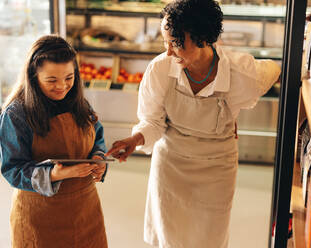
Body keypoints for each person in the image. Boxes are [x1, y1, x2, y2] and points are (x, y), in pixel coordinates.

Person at [106, 0, 281, 247]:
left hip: (216, 168)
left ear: (202, 37)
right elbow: (152, 121)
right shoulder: (160, 69)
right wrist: (135, 139)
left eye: (175, 43)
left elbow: (273, 70)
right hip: (171, 164)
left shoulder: (240, 73)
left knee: (209, 237)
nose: (168, 51)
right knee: (169, 236)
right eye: (165, 42)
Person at [0, 35, 108, 248]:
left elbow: (98, 137)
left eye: (69, 77)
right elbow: (12, 169)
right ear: (33, 76)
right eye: (51, 80)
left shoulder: (79, 103)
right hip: (40, 218)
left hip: (85, 212)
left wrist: (99, 157)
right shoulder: (17, 114)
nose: (62, 86)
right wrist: (53, 174)